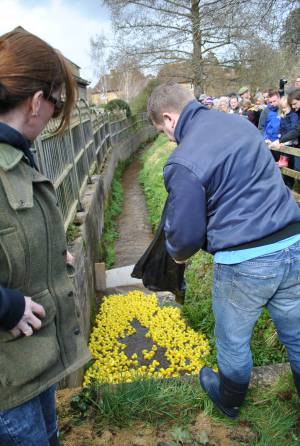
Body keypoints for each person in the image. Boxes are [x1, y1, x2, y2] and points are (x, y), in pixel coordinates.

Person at [147, 81, 300, 419]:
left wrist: (175, 256)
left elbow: (185, 237)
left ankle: (228, 399)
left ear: (170, 119)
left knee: (232, 338)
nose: (168, 139)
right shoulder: (241, 124)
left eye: (162, 130)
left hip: (244, 260)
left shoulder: (183, 160)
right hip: (293, 243)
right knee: (298, 333)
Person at [0, 28, 90, 446]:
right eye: (55, 107)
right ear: (37, 101)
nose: (54, 118)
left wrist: (54, 256)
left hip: (31, 365)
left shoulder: (17, 157)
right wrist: (6, 306)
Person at [258, 89, 281, 160]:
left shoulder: (284, 108)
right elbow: (261, 128)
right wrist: (265, 139)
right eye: (270, 102)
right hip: (270, 144)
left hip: (281, 143)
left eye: (274, 101)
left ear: (279, 99)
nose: (273, 104)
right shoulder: (265, 111)